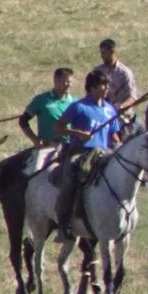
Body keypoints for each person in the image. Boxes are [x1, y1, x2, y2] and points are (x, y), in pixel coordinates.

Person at [53, 71, 123, 243]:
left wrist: (120, 145)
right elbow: (59, 127)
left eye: (107, 85)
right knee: (70, 180)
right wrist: (77, 133)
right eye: (103, 85)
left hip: (103, 153)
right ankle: (64, 224)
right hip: (80, 152)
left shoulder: (109, 109)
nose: (107, 88)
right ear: (92, 87)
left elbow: (114, 134)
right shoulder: (79, 107)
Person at [20, 68, 76, 147]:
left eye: (70, 82)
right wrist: (35, 140)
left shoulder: (75, 102)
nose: (69, 85)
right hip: (48, 145)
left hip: (70, 145)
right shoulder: (41, 100)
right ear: (55, 80)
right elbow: (23, 121)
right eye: (65, 81)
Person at [91, 38, 138, 111]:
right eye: (101, 53)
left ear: (112, 52)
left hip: (120, 115)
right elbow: (90, 92)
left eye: (104, 53)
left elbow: (133, 97)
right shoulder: (97, 71)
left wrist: (121, 107)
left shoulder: (125, 72)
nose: (101, 56)